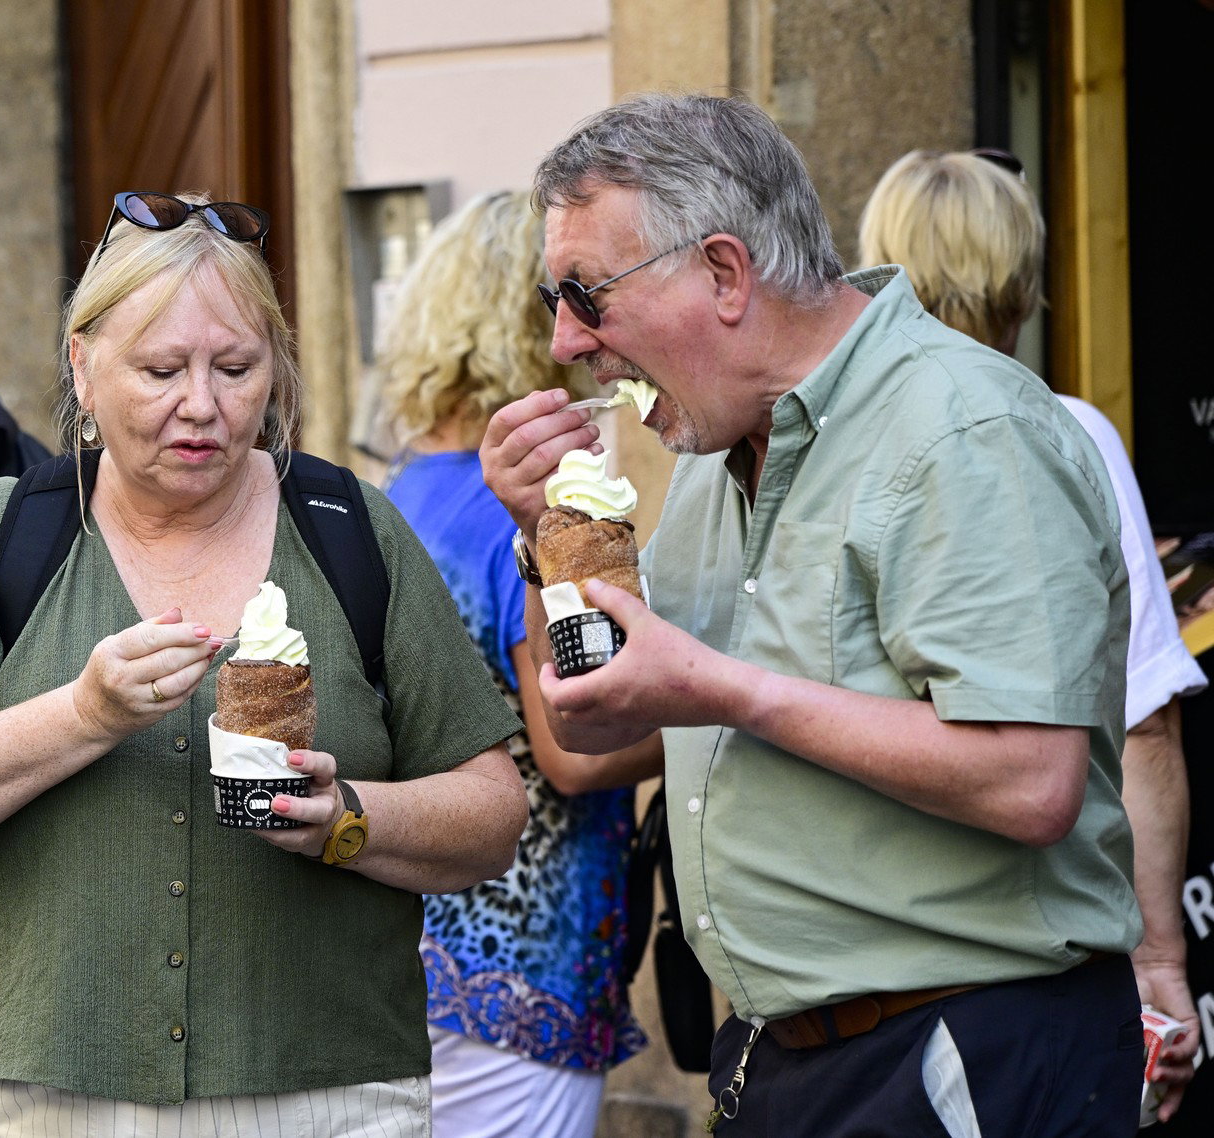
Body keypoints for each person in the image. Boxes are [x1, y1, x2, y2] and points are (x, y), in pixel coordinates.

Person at [480, 92, 1144, 1136]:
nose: (567, 342)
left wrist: (725, 689)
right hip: (781, 1061)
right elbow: (593, 729)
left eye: (585, 294)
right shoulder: (709, 450)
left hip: (961, 1050)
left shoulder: (962, 430)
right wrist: (547, 537)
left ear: (726, 272)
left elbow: (1031, 779)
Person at [0, 189, 529, 1137]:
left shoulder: (351, 531)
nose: (200, 405)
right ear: (83, 367)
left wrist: (349, 819)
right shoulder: (10, 534)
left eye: (235, 367)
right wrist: (82, 715)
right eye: (160, 369)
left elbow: (492, 814)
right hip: (69, 1104)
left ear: (276, 371)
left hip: (336, 1100)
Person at [859, 146, 1208, 1122]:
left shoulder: (823, 440)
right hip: (1035, 979)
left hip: (859, 996)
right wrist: (1160, 960)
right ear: (1023, 278)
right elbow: (1144, 724)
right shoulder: (1069, 433)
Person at [376, 190, 649, 1137]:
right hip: (526, 964)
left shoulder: (397, 497)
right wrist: (737, 703)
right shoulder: (526, 520)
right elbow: (573, 755)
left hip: (411, 948)